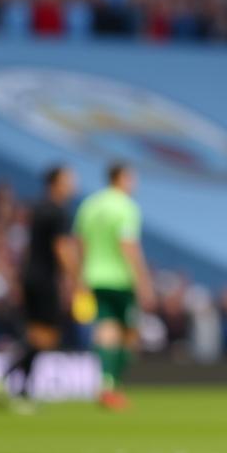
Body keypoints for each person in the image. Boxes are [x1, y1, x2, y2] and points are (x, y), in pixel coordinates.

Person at [0, 164, 79, 410]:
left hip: (30, 277)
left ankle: (22, 392)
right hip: (44, 280)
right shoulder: (58, 212)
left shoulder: (38, 209)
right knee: (46, 337)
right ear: (55, 183)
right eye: (68, 179)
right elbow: (61, 248)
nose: (73, 183)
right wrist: (77, 278)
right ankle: (4, 378)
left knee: (37, 335)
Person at [73, 162, 155, 410]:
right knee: (128, 334)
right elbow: (128, 245)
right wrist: (144, 280)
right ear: (121, 178)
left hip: (94, 276)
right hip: (120, 278)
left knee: (106, 327)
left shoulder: (90, 204)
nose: (134, 183)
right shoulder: (125, 206)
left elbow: (79, 241)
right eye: (132, 178)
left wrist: (80, 275)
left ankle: (107, 384)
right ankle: (112, 385)